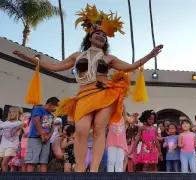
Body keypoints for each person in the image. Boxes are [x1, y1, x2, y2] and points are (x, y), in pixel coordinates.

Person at [13, 4, 163, 172]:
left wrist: (150, 55)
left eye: (104, 35)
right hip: (84, 96)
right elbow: (55, 66)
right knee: (82, 130)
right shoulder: (77, 56)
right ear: (90, 37)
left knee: (99, 128)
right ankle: (80, 168)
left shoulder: (108, 58)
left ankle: (94, 170)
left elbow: (130, 66)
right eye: (98, 33)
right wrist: (30, 59)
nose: (101, 36)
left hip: (105, 95)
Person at [25, 97, 59, 172]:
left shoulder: (51, 115)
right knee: (32, 161)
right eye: (54, 108)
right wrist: (42, 135)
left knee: (44, 161)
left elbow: (51, 128)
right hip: (35, 138)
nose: (55, 110)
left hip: (46, 140)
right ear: (50, 104)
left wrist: (47, 137)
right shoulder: (38, 109)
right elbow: (36, 120)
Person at [0, 106, 24, 172]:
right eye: (9, 112)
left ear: (17, 113)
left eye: (13, 112)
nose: (11, 113)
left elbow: (11, 125)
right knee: (2, 163)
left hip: (12, 145)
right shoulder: (5, 123)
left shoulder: (19, 123)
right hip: (3, 145)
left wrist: (3, 125)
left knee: (4, 163)